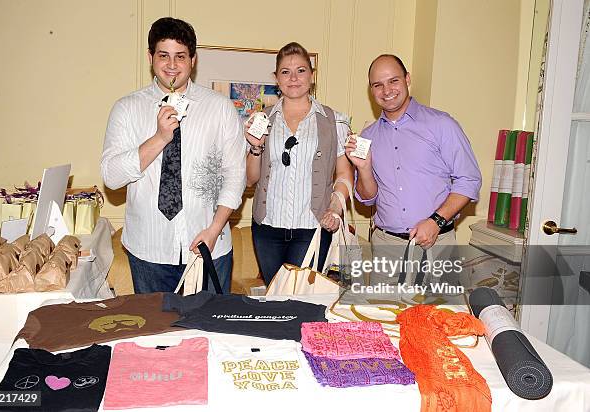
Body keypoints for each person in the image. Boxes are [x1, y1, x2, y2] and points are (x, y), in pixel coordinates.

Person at [101, 17, 246, 294]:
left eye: (180, 56)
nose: (171, 65)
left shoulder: (220, 108)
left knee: (211, 334)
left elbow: (235, 175)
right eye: (163, 55)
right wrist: (159, 138)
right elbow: (112, 177)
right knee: (158, 335)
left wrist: (214, 230)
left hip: (210, 248)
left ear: (193, 59)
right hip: (149, 250)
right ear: (150, 57)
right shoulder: (127, 109)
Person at [346, 54, 481, 286]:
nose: (386, 90)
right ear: (371, 90)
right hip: (387, 249)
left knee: (438, 319)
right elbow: (367, 199)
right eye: (378, 85)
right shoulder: (367, 137)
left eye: (393, 81)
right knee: (384, 318)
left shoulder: (441, 124)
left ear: (407, 79)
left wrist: (435, 221)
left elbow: (469, 180)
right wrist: (364, 168)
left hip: (436, 244)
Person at [246, 42, 354, 286]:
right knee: (275, 299)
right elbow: (251, 178)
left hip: (312, 228)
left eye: (301, 70)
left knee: (302, 301)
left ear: (312, 76)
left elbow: (345, 174)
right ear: (277, 79)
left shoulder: (334, 121)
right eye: (285, 72)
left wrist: (335, 207)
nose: (293, 78)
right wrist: (255, 146)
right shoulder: (261, 120)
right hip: (267, 228)